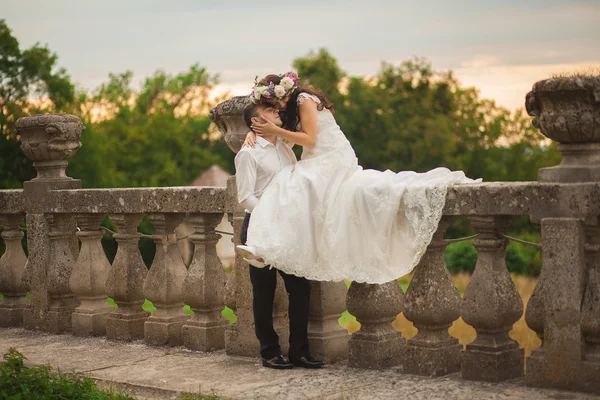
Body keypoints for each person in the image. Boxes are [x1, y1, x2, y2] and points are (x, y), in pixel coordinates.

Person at [237, 72, 481, 284]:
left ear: (283, 92)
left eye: (273, 103)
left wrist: (273, 130)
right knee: (291, 186)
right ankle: (265, 248)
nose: (275, 108)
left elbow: (310, 139)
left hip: (332, 156)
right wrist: (254, 134)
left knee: (294, 183)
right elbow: (286, 139)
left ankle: (265, 247)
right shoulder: (289, 109)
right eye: (269, 106)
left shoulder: (303, 99)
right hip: (316, 158)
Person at [234, 102, 325, 370]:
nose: (277, 115)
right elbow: (245, 197)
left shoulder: (286, 147)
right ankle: (269, 352)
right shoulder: (248, 154)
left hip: (288, 228)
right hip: (260, 227)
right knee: (264, 292)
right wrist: (271, 215)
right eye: (270, 112)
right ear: (256, 122)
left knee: (300, 287)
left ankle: (300, 351)